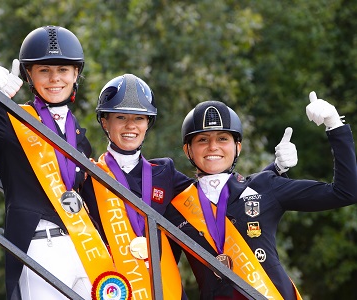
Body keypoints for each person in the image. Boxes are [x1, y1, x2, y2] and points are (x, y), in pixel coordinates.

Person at [0, 25, 114, 300]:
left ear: (76, 74)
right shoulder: (8, 120)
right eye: (44, 70)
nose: (55, 79)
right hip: (41, 247)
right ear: (30, 74)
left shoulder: (78, 135)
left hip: (84, 245)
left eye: (63, 70)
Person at [79, 73, 297, 299]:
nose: (131, 126)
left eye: (139, 118)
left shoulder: (165, 173)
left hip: (163, 290)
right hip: (113, 288)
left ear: (147, 124)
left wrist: (275, 169)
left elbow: (221, 194)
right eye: (121, 117)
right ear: (105, 122)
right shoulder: (89, 175)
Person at [165, 92, 357, 299]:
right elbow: (165, 272)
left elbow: (346, 192)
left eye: (223, 139)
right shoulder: (177, 208)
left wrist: (334, 125)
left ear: (237, 147)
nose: (213, 147)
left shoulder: (266, 186)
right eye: (203, 140)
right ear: (188, 150)